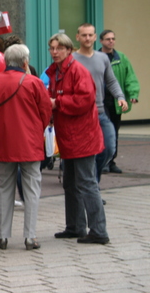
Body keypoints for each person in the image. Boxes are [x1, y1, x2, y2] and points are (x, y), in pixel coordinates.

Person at [0, 44, 52, 251]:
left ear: (5, 62)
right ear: (25, 62)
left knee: (3, 187)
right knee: (31, 189)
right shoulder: (35, 83)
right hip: (29, 143)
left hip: (3, 142)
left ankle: (3, 236)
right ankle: (30, 237)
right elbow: (45, 112)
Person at [46, 33, 109, 245]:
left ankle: (98, 230)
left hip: (82, 137)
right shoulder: (57, 72)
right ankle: (75, 226)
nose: (54, 52)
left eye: (58, 48)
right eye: (52, 48)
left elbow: (84, 100)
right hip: (70, 137)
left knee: (87, 183)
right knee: (70, 183)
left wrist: (57, 103)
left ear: (68, 50)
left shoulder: (77, 71)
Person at [73, 23, 127, 182]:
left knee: (109, 148)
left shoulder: (102, 58)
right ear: (78, 37)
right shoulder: (72, 59)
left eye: (90, 35)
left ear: (95, 37)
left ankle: (92, 182)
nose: (87, 38)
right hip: (81, 115)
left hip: (100, 112)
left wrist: (120, 97)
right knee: (85, 153)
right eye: (84, 35)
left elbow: (111, 81)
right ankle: (90, 187)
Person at [98, 29, 140, 174]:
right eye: (108, 39)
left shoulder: (121, 58)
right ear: (101, 41)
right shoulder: (96, 57)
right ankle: (102, 161)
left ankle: (111, 161)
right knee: (103, 132)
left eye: (113, 39)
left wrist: (132, 94)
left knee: (114, 132)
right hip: (99, 102)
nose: (111, 41)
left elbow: (130, 77)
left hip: (115, 102)